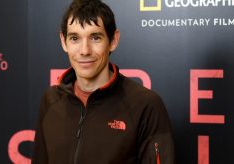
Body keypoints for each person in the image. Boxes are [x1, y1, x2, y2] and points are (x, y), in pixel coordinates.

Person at [32, 0, 175, 163]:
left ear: (113, 40)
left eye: (95, 37)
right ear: (64, 42)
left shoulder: (146, 105)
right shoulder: (50, 100)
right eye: (74, 38)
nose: (84, 50)